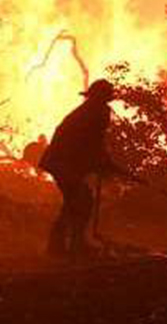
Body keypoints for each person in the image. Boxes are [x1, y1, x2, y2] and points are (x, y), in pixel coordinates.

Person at [38, 78, 123, 259]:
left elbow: (93, 144)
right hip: (61, 162)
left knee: (76, 200)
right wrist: (103, 163)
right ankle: (72, 245)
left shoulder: (90, 111)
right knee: (80, 199)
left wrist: (104, 162)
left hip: (61, 161)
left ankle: (62, 246)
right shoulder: (94, 113)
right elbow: (90, 144)